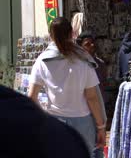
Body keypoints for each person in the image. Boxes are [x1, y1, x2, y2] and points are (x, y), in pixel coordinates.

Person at [28, 17, 106, 158]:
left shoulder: (41, 61)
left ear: (50, 35)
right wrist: (101, 127)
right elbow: (92, 97)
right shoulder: (84, 60)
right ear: (72, 34)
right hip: (83, 122)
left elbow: (31, 97)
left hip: (54, 121)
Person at [0, 85, 90, 157]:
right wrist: (100, 125)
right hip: (70, 127)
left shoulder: (41, 63)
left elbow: (32, 96)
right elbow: (92, 97)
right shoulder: (68, 138)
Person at [76, 31, 108, 158]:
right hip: (83, 112)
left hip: (98, 109)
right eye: (87, 44)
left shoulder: (100, 65)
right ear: (80, 47)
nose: (92, 46)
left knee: (98, 148)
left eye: (93, 43)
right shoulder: (78, 66)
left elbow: (102, 89)